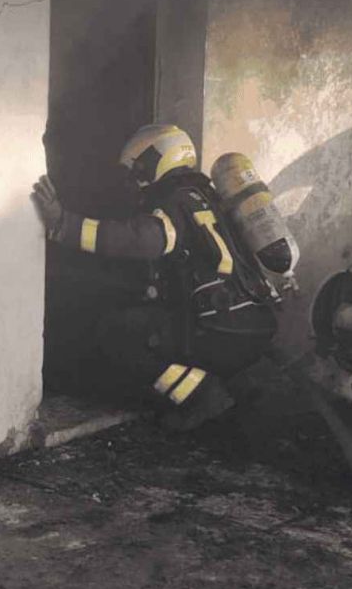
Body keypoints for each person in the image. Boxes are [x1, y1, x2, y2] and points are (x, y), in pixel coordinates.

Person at [32, 124, 280, 431]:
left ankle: (202, 396)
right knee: (149, 319)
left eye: (137, 168)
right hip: (253, 324)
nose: (134, 178)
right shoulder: (206, 196)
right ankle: (240, 387)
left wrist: (62, 224)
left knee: (118, 332)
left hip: (219, 329)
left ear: (158, 159)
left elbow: (136, 240)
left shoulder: (174, 203)